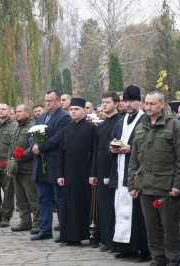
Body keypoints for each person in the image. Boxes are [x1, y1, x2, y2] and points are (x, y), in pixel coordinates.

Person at [128, 91, 180, 265]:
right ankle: (157, 259)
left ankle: (172, 260)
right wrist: (132, 184)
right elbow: (134, 160)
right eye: (146, 103)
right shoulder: (141, 127)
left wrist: (178, 184)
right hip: (145, 186)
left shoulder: (174, 126)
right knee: (151, 228)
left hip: (167, 187)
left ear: (162, 104)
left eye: (152, 104)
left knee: (170, 228)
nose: (148, 107)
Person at [109, 85, 150, 262]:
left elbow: (150, 145)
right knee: (121, 210)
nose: (129, 104)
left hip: (138, 173)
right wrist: (112, 148)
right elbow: (112, 141)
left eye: (132, 101)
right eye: (126, 101)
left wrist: (130, 148)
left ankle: (144, 250)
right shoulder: (121, 121)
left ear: (139, 102)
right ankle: (127, 248)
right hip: (120, 171)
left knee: (140, 214)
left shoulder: (146, 121)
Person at [30, 90, 72, 241]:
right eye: (46, 100)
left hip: (55, 162)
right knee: (43, 198)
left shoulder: (64, 117)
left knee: (59, 199)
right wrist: (34, 146)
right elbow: (31, 134)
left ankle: (64, 230)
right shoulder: (41, 116)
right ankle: (45, 229)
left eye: (51, 101)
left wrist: (42, 147)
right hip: (40, 163)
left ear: (59, 101)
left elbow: (59, 137)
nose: (47, 103)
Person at [57, 98, 96, 246]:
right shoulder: (66, 129)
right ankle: (71, 237)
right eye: (71, 109)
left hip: (85, 173)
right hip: (68, 173)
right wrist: (60, 174)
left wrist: (93, 173)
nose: (73, 112)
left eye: (76, 109)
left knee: (86, 205)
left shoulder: (91, 129)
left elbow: (94, 153)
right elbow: (61, 153)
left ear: (84, 111)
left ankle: (91, 236)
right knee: (69, 205)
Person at [90, 92, 122, 253]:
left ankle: (115, 242)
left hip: (115, 171)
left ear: (116, 104)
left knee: (113, 207)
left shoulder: (121, 122)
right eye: (102, 102)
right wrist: (93, 173)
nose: (104, 105)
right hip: (101, 171)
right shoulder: (101, 125)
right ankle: (106, 239)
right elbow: (96, 151)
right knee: (103, 206)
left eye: (107, 102)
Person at [8, 104, 40, 234]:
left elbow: (34, 146)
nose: (17, 113)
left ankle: (38, 223)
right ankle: (25, 221)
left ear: (28, 112)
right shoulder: (17, 127)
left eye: (20, 111)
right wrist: (9, 165)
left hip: (28, 168)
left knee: (33, 198)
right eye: (16, 111)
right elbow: (11, 146)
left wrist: (22, 156)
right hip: (17, 169)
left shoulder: (33, 126)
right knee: (20, 198)